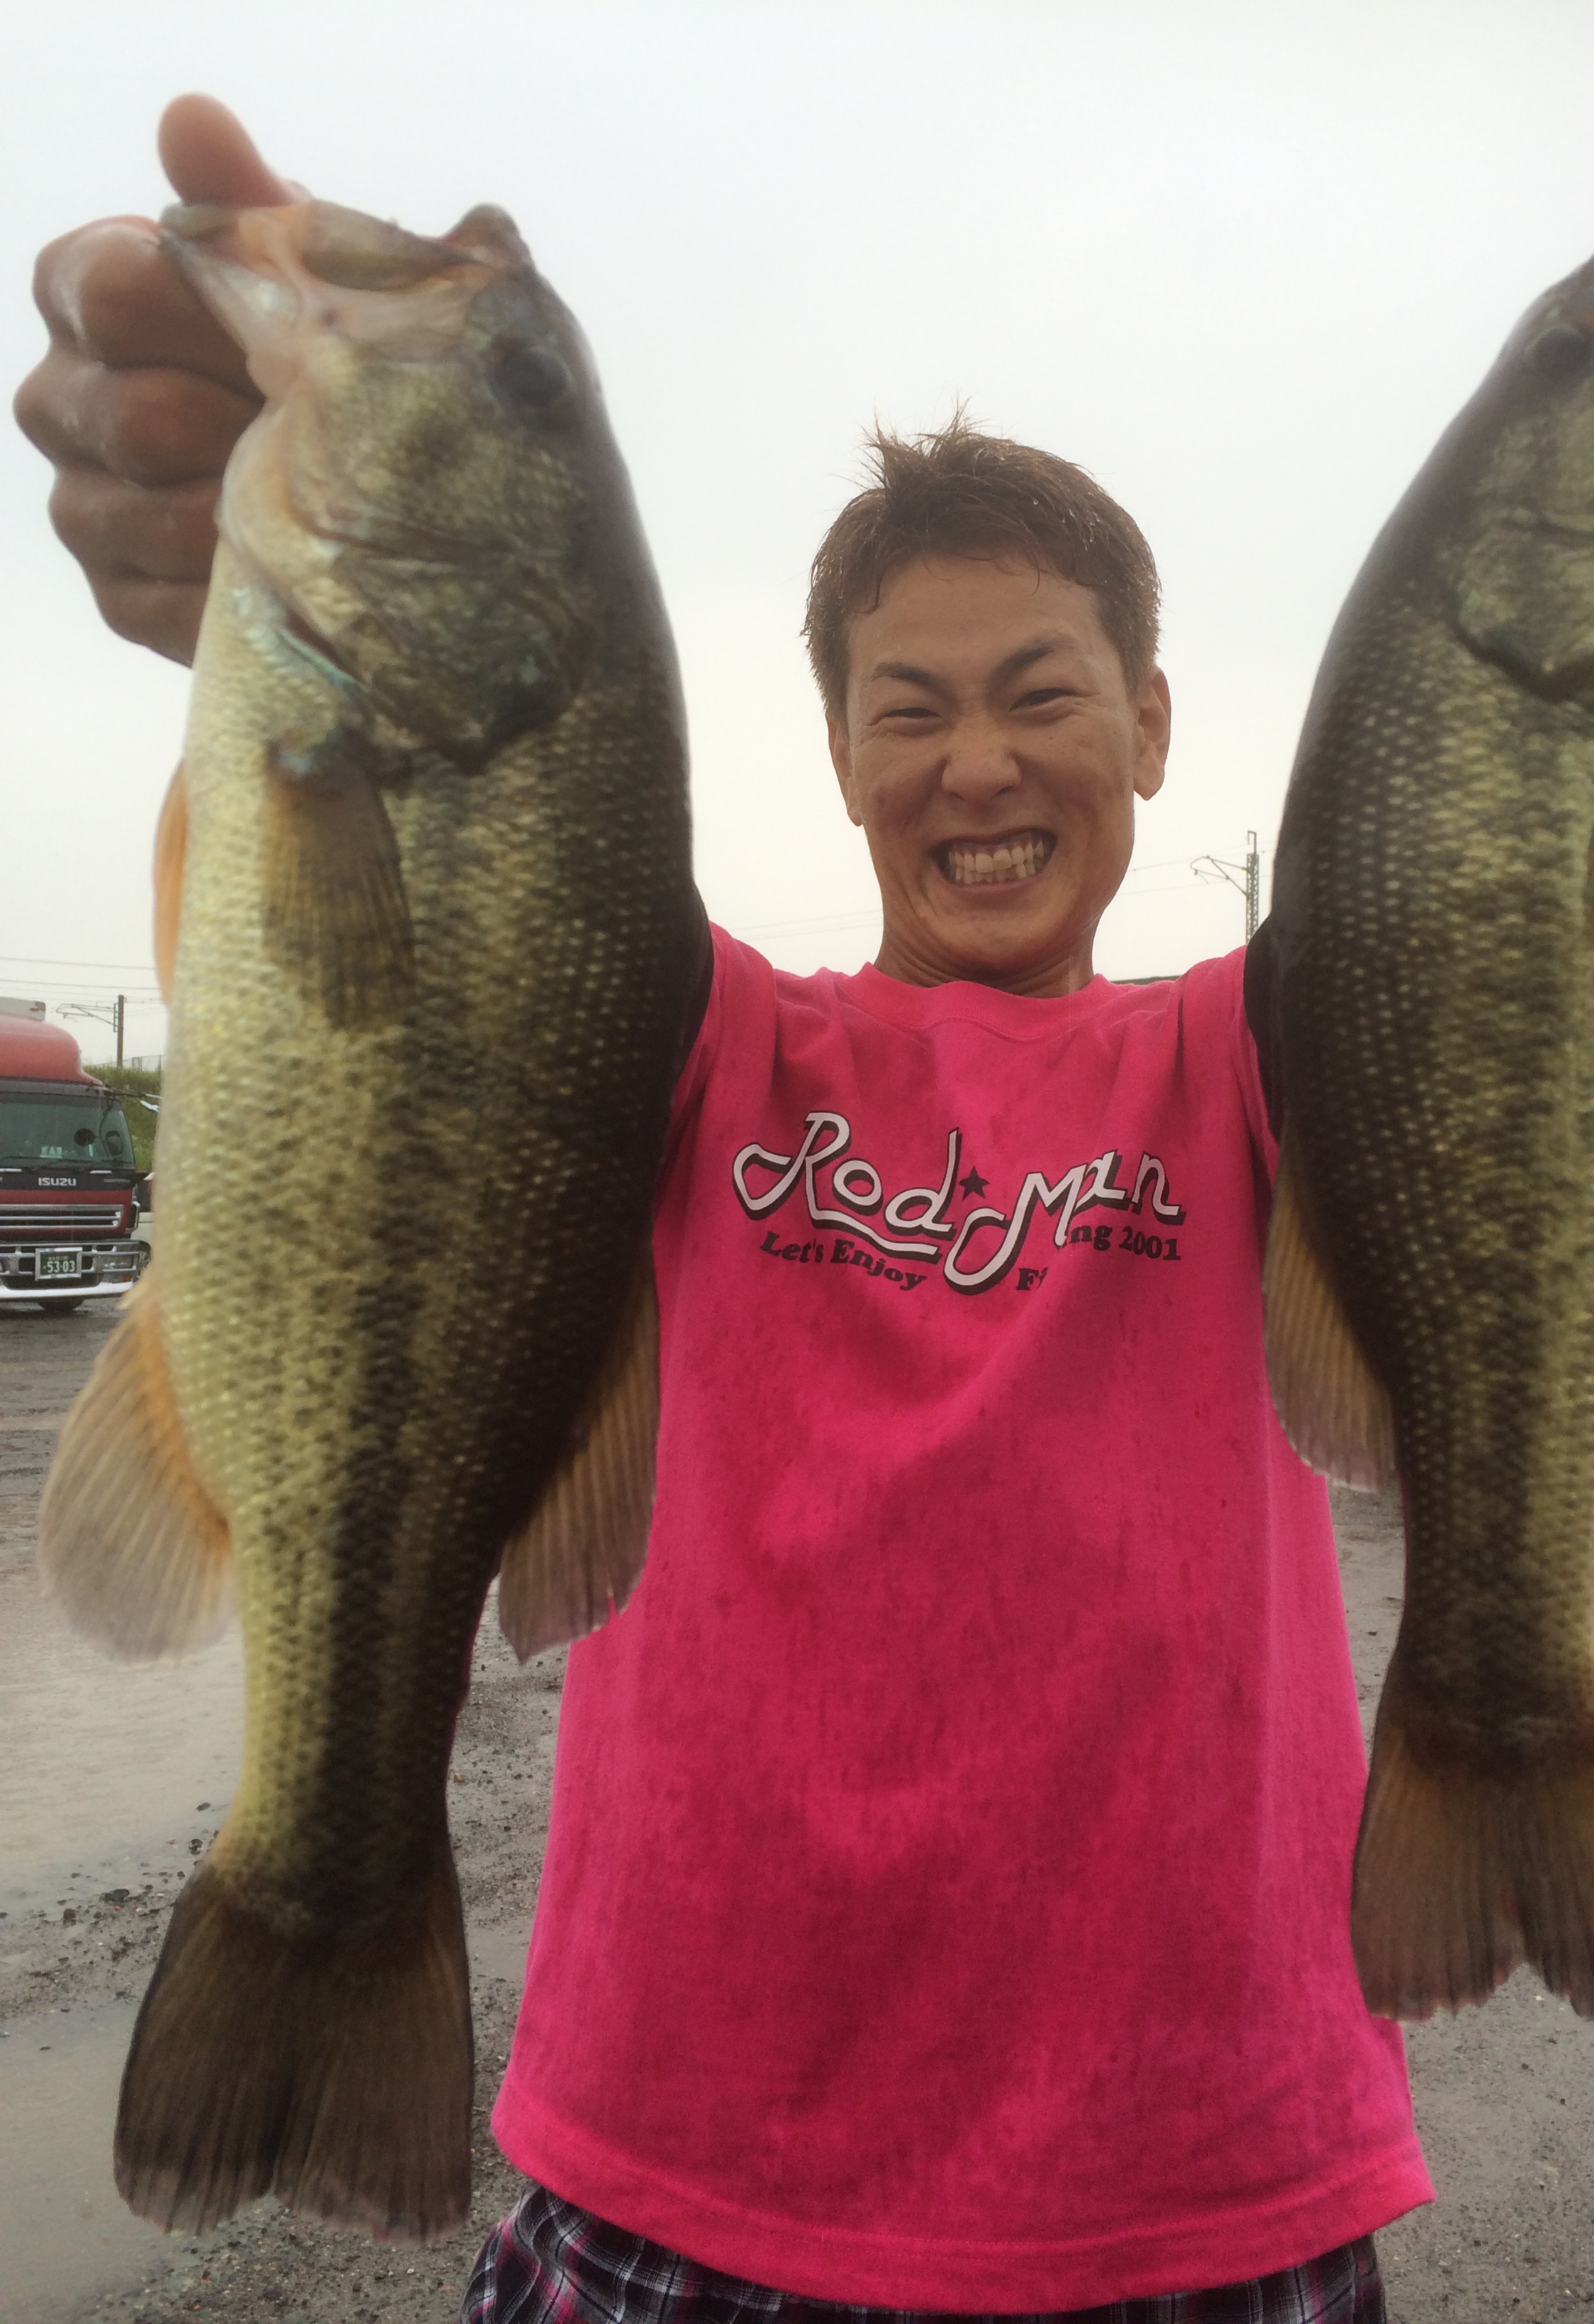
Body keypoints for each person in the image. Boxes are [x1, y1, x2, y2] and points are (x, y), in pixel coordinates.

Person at [16, 95, 1430, 2324]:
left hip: (1206, 2176)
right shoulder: (683, 1037)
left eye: (1042, 696)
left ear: (1154, 725)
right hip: (680, 2164)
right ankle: (326, 1890)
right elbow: (464, 906)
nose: (978, 764)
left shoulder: (1254, 1060)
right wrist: (232, 543)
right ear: (838, 753)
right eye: (910, 710)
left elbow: (1532, 955)